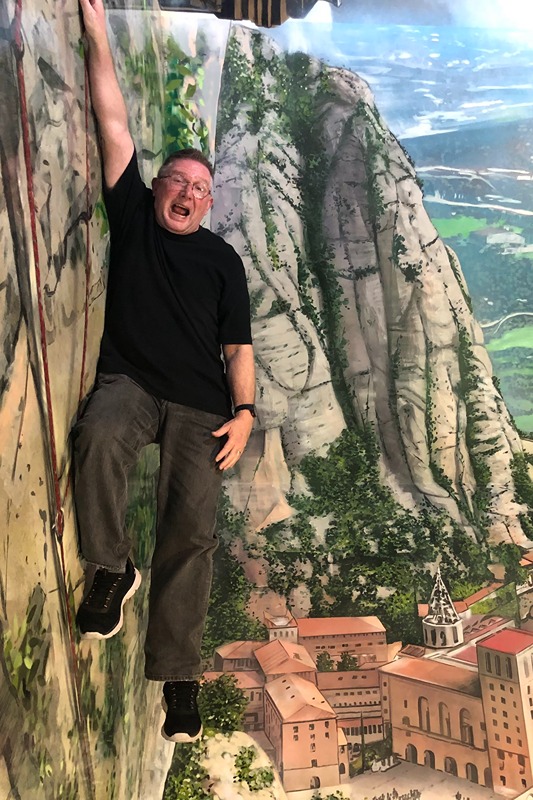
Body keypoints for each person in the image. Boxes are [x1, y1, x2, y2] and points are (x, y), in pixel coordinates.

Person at [74, 0, 255, 744]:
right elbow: (113, 123)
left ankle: (178, 677)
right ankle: (111, 568)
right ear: (157, 189)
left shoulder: (222, 261)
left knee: (193, 534)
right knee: (98, 437)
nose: (185, 192)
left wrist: (245, 415)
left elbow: (238, 350)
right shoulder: (135, 216)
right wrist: (93, 31)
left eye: (198, 188)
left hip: (201, 406)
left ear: (209, 203)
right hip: (134, 384)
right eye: (175, 181)